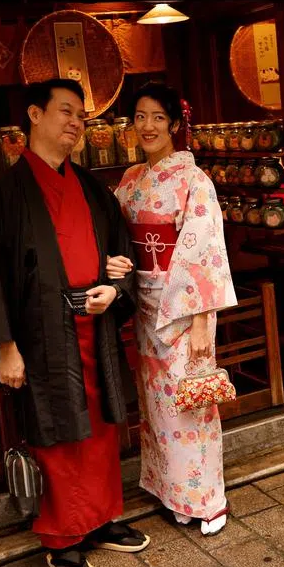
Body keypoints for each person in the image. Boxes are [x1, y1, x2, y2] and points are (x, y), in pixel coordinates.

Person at [0, 78, 150, 567]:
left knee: (102, 425)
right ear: (34, 114)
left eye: (81, 116)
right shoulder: (4, 194)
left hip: (97, 324)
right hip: (40, 333)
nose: (75, 124)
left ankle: (104, 517)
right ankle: (64, 536)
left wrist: (116, 291)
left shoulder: (93, 188)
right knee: (57, 432)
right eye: (65, 112)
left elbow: (122, 258)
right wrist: (6, 347)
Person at [106, 82, 237, 536]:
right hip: (142, 302)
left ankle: (207, 498)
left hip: (183, 308)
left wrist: (198, 319)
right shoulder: (129, 181)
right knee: (155, 403)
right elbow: (118, 236)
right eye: (139, 117)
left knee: (190, 402)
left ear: (175, 124)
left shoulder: (193, 181)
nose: (147, 126)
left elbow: (204, 254)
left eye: (157, 118)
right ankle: (169, 489)